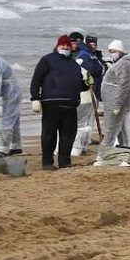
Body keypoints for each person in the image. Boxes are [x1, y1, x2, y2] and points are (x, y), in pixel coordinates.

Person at [30, 35, 84, 171]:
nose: (65, 47)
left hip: (71, 104)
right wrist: (35, 98)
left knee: (69, 135)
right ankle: (47, 163)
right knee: (49, 134)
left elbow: (80, 84)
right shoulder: (47, 60)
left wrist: (87, 84)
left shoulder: (74, 64)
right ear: (57, 46)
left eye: (67, 46)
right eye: (62, 45)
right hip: (51, 103)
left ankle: (65, 162)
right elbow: (36, 79)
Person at [97, 40, 130, 160]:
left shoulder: (124, 64)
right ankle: (125, 146)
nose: (112, 54)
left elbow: (123, 85)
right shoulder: (122, 63)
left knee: (111, 127)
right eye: (110, 52)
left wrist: (117, 104)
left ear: (120, 50)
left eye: (114, 51)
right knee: (120, 125)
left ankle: (104, 152)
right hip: (113, 101)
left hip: (115, 101)